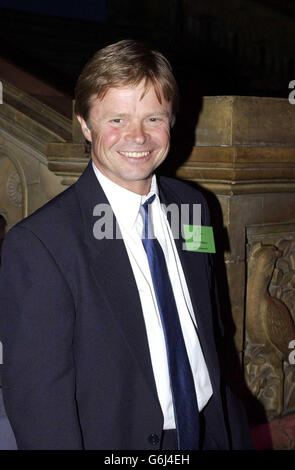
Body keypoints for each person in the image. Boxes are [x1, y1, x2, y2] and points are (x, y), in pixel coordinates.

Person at [0, 40, 252, 450]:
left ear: (172, 120)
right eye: (116, 119)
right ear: (85, 123)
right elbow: (40, 403)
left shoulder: (193, 208)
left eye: (153, 117)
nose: (137, 136)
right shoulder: (40, 245)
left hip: (213, 430)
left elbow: (210, 323)